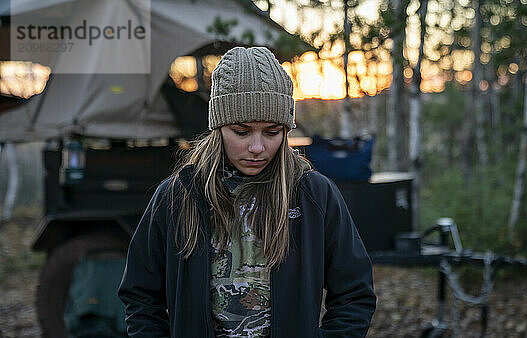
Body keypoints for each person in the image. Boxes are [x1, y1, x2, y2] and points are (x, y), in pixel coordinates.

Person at [118, 46, 376, 337]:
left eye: (271, 132)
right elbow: (140, 296)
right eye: (241, 132)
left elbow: (355, 294)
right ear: (218, 127)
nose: (257, 148)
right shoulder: (177, 196)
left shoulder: (313, 194)